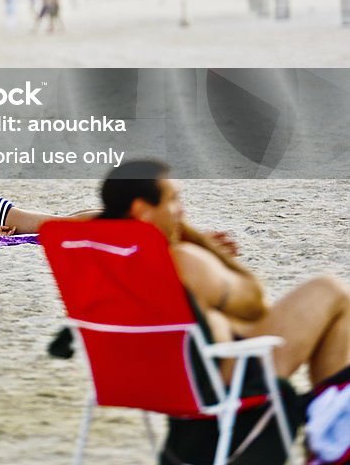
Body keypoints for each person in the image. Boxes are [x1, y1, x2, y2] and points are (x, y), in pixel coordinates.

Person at [99, 160, 350, 386]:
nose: (182, 211)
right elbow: (256, 305)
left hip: (146, 378)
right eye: (173, 200)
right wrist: (202, 244)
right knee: (332, 290)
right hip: (224, 380)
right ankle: (327, 421)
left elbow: (85, 220)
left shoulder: (101, 252)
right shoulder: (186, 260)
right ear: (141, 208)